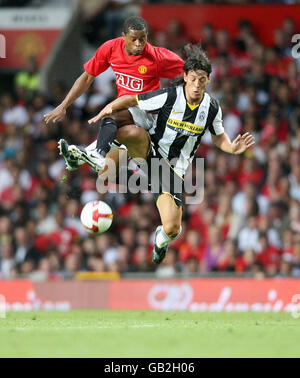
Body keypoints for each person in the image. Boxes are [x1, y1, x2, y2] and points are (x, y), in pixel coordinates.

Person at [71, 45, 255, 264]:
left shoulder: (212, 108)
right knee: (132, 133)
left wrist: (232, 148)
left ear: (208, 80)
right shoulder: (169, 96)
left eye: (202, 80)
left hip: (172, 173)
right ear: (185, 77)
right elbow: (132, 100)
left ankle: (159, 240)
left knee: (172, 228)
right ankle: (95, 151)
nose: (197, 85)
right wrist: (106, 110)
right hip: (152, 152)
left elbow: (218, 137)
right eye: (193, 79)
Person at [44, 16, 184, 174]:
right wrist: (64, 106)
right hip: (127, 112)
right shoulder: (111, 48)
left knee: (111, 114)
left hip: (149, 115)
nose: (138, 44)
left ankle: (96, 154)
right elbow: (87, 77)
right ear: (123, 37)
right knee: (104, 173)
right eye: (134, 39)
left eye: (142, 39)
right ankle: (78, 159)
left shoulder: (157, 57)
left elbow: (189, 72)